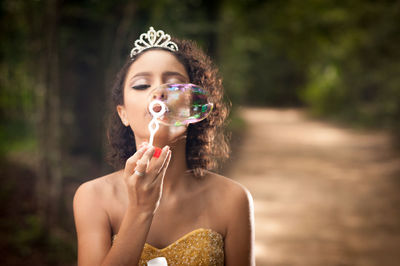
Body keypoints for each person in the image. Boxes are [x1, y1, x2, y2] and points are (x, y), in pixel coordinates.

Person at [73, 26, 255, 266]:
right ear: (123, 114)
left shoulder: (233, 199)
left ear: (192, 106)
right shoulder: (93, 198)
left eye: (174, 85)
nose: (159, 94)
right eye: (141, 85)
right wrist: (140, 209)